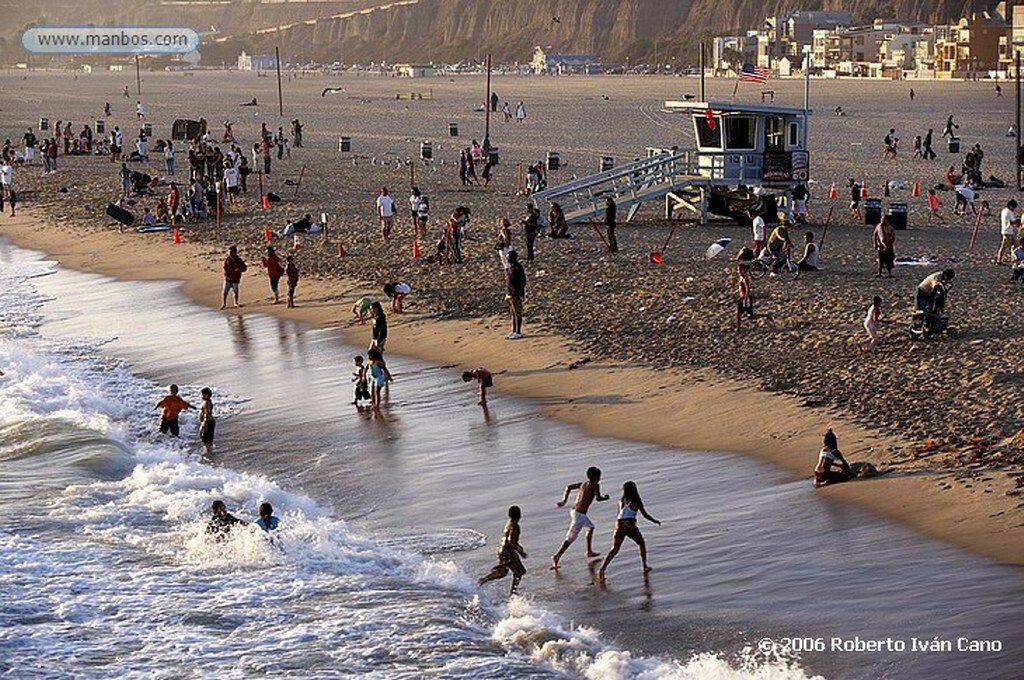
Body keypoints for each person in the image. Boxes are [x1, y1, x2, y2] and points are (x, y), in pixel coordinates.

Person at [595, 481, 661, 581]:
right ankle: (644, 567)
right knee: (641, 543)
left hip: (618, 525)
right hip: (630, 525)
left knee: (614, 548)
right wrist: (654, 520)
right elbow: (645, 515)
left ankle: (602, 569)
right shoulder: (636, 501)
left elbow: (620, 515)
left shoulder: (621, 501)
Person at [550, 466, 609, 569]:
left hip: (574, 511)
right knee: (570, 538)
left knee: (590, 527)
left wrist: (564, 500)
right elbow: (598, 498)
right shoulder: (595, 485)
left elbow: (568, 487)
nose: (600, 478)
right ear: (595, 477)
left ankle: (589, 551)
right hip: (580, 516)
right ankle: (557, 556)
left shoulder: (583, 484)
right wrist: (605, 498)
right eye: (599, 476)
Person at [478, 505, 527, 595]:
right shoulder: (515, 526)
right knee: (520, 571)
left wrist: (518, 546)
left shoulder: (508, 523)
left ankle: (483, 580)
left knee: (503, 571)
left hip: (501, 549)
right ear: (520, 515)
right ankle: (513, 591)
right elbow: (510, 540)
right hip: (508, 551)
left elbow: (508, 539)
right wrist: (520, 552)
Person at [736, 263, 773, 330]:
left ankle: (766, 315)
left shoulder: (745, 278)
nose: (739, 271)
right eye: (738, 270)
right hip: (741, 297)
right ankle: (738, 328)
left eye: (740, 270)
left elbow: (748, 289)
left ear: (744, 270)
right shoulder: (741, 277)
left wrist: (746, 298)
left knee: (750, 316)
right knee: (738, 314)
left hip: (745, 298)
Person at [505, 250, 526, 339]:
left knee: (517, 313)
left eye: (509, 257)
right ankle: (514, 331)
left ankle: (518, 332)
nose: (508, 258)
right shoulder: (511, 267)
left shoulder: (518, 268)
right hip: (510, 293)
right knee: (513, 313)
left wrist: (518, 293)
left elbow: (522, 282)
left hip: (515, 294)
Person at [221, 245, 248, 310]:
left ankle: (236, 303)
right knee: (225, 292)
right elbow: (225, 268)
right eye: (229, 252)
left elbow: (244, 268)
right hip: (228, 279)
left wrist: (238, 269)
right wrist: (227, 274)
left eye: (231, 252)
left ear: (234, 253)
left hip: (235, 279)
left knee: (235, 291)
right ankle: (224, 304)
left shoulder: (239, 260)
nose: (229, 254)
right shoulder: (227, 260)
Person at [997, 199, 1020, 265]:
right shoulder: (1009, 212)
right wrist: (1018, 221)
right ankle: (999, 260)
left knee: (1016, 245)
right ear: (1011, 206)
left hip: (1009, 231)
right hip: (1008, 232)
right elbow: (1012, 222)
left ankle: (1014, 259)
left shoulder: (1004, 211)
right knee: (1004, 246)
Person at [198, 387, 215, 453]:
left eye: (202, 394)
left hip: (208, 422)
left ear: (207, 395)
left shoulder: (207, 403)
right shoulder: (206, 402)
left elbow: (207, 414)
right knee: (207, 439)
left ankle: (209, 452)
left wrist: (204, 424)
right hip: (209, 422)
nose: (201, 396)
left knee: (206, 439)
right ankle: (209, 451)